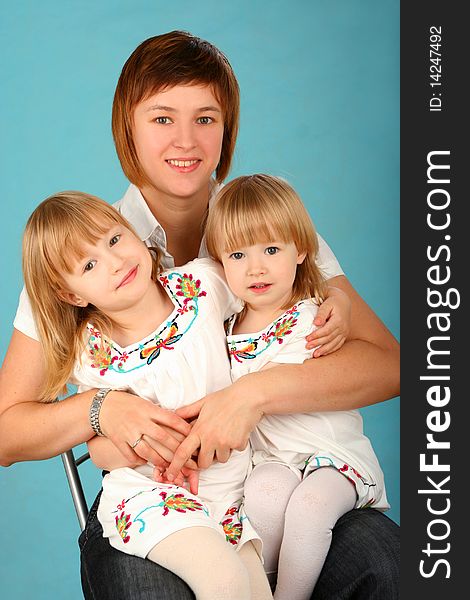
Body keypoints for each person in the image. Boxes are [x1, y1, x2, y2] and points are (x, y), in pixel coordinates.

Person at [0, 31, 400, 599]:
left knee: (386, 564)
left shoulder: (263, 226)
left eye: (206, 119)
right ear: (128, 129)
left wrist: (252, 395)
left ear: (226, 130)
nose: (185, 140)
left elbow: (391, 366)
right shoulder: (85, 257)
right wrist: (101, 409)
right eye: (162, 118)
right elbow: (5, 432)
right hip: (162, 498)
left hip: (281, 477)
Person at [22, 191, 273, 600]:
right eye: (89, 265)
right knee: (224, 581)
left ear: (136, 234)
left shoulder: (201, 286)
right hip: (153, 496)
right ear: (73, 296)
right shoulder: (95, 352)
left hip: (229, 492)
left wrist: (333, 300)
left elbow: (273, 298)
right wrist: (163, 449)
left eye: (115, 240)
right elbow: (101, 452)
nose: (116, 262)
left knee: (257, 591)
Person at [204, 174, 390, 599]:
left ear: (302, 250)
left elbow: (379, 364)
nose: (256, 267)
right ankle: (259, 590)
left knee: (309, 508)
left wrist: (338, 300)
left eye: (272, 249)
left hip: (332, 459)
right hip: (273, 458)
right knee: (263, 498)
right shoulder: (225, 330)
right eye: (238, 254)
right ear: (220, 263)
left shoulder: (317, 318)